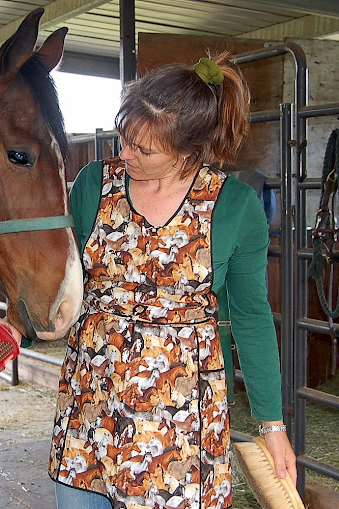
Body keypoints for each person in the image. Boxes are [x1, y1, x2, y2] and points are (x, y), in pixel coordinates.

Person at [45, 53, 297, 508]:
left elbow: (252, 318)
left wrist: (272, 425)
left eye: (143, 150)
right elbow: (59, 280)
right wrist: (20, 326)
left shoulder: (234, 207)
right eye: (124, 138)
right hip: (91, 401)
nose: (125, 154)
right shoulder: (93, 185)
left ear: (186, 150)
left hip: (180, 420)